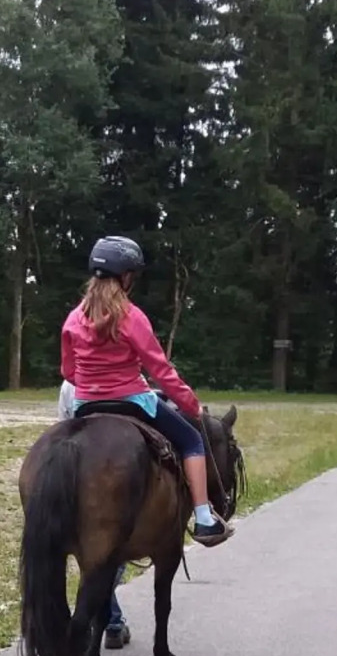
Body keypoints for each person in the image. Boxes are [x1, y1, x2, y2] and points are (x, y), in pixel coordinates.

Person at [61, 235, 234, 548]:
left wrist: (92, 383)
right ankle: (205, 518)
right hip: (133, 401)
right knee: (192, 440)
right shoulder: (132, 317)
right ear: (126, 277)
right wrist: (190, 404)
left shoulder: (74, 318)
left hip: (85, 404)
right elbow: (161, 371)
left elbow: (68, 372)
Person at [58, 379, 131, 648]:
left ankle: (110, 620)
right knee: (111, 556)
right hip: (114, 465)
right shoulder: (129, 378)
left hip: (71, 464)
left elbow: (62, 424)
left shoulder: (68, 385)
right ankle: (107, 622)